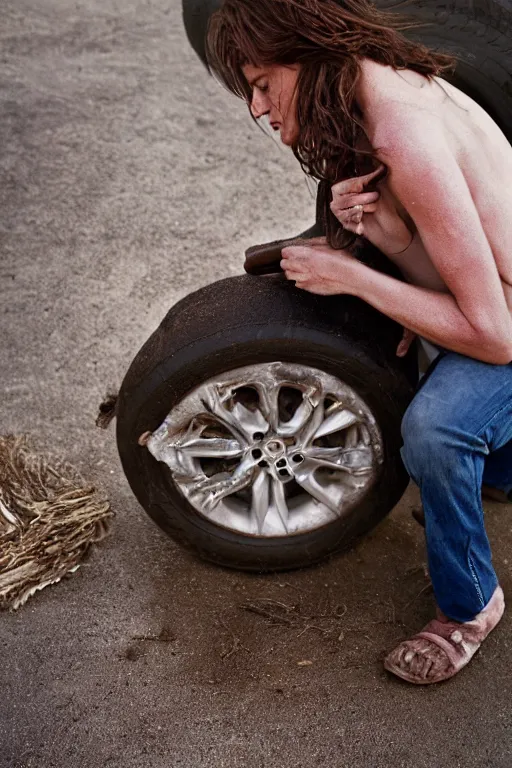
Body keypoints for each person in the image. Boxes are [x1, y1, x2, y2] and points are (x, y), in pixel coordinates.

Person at [205, 0, 512, 685]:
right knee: (438, 382)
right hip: (500, 296)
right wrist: (382, 235)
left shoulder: (402, 135)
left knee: (435, 431)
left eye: (261, 83)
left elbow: (495, 335)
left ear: (306, 52)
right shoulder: (375, 82)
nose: (258, 108)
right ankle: (503, 466)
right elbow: (464, 253)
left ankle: (469, 608)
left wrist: (356, 278)